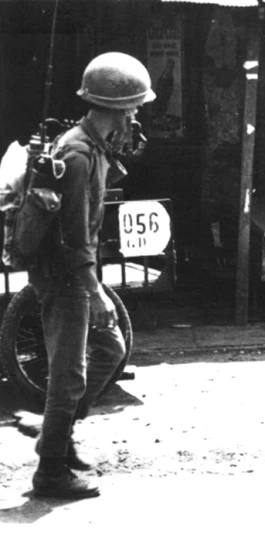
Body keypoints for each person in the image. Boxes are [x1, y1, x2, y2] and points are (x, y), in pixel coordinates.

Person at [28, 52, 155, 499]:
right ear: (116, 108)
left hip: (69, 274)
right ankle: (51, 473)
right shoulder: (79, 154)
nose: (137, 115)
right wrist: (94, 290)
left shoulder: (91, 145)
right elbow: (74, 236)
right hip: (66, 277)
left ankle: (54, 436)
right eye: (134, 108)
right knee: (69, 375)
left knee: (109, 348)